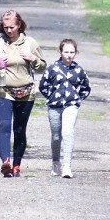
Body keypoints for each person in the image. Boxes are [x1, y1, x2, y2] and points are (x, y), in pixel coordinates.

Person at [0, 10, 47, 177]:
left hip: (25, 92)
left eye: (12, 27)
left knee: (19, 129)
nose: (9, 30)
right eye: (5, 27)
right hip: (2, 90)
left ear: (19, 25)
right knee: (4, 126)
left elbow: (42, 66)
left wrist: (33, 59)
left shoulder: (30, 43)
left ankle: (17, 165)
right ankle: (6, 162)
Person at [38, 38, 91, 179]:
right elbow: (42, 85)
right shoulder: (53, 69)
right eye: (66, 52)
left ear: (75, 53)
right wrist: (51, 96)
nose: (69, 55)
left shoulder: (78, 70)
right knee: (56, 136)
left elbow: (86, 87)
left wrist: (77, 99)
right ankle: (56, 163)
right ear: (60, 52)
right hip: (54, 106)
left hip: (71, 105)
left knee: (68, 132)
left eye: (72, 52)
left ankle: (67, 165)